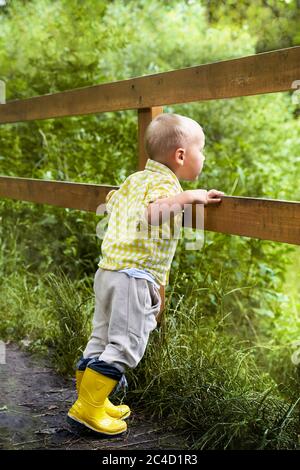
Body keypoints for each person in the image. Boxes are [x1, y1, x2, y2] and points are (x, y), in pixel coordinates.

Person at [67, 113, 224, 436]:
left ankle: (94, 399)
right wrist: (189, 197)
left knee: (100, 340)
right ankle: (87, 409)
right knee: (126, 345)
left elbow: (114, 203)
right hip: (133, 278)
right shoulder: (167, 185)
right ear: (181, 155)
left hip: (108, 271)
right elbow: (153, 214)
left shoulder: (135, 179)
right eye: (202, 150)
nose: (204, 157)